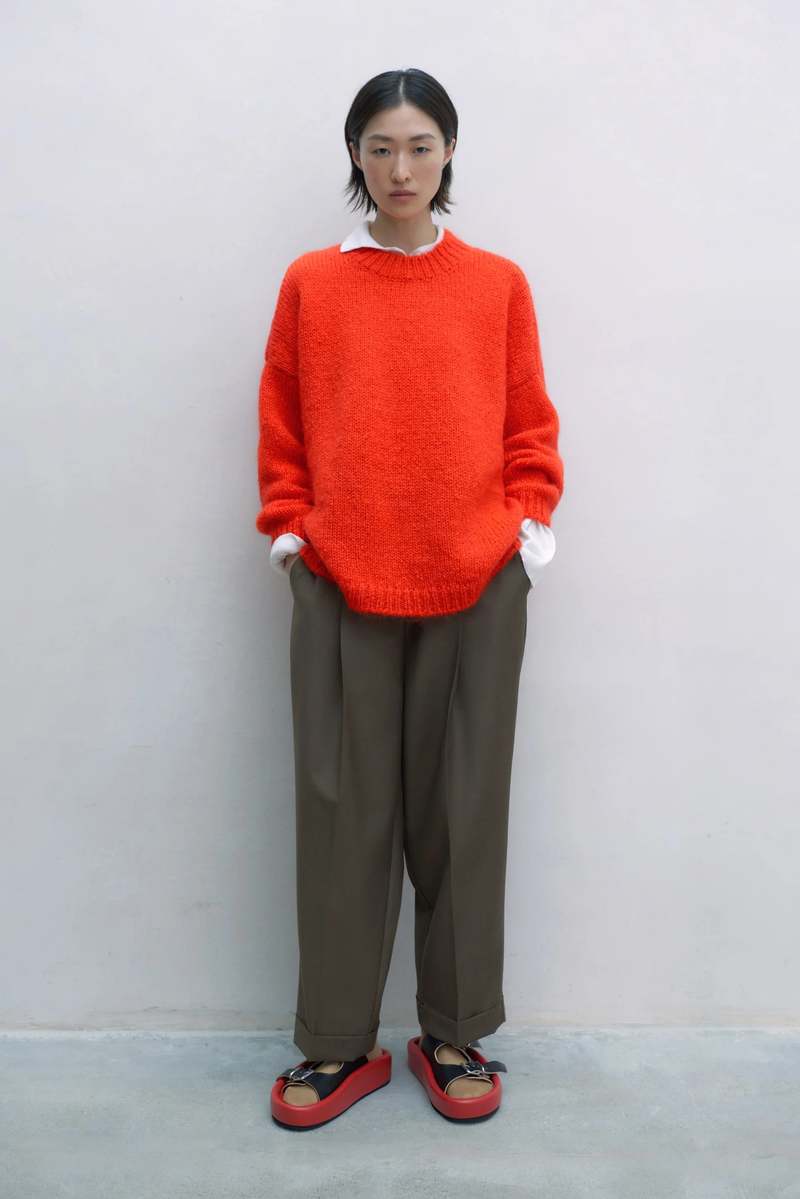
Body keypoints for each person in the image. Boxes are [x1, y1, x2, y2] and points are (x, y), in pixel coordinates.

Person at [256, 67, 564, 1130]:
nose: (400, 168)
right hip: (340, 580)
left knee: (462, 810)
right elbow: (282, 423)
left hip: (477, 581)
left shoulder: (497, 284)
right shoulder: (312, 284)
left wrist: (524, 531)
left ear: (448, 153)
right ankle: (338, 1044)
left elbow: (528, 423)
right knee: (342, 814)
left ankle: (454, 1030)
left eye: (420, 146)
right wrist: (292, 535)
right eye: (380, 147)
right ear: (355, 155)